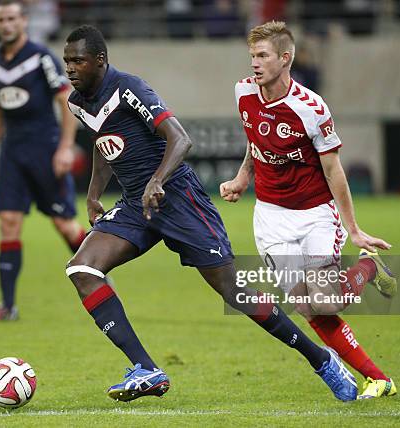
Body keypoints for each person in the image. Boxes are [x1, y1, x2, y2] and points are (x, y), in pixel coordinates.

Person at [63, 24, 358, 403]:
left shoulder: (128, 88)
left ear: (100, 61)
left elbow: (180, 139)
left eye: (78, 61)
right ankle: (146, 369)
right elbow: (105, 144)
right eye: (67, 61)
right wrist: (92, 195)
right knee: (82, 269)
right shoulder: (77, 102)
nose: (70, 68)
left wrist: (157, 180)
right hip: (138, 204)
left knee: (235, 292)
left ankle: (322, 360)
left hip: (179, 199)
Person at [220, 21, 398, 400]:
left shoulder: (311, 108)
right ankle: (378, 378)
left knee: (327, 299)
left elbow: (334, 171)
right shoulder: (243, 93)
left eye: (263, 56)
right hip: (270, 216)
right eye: (252, 55)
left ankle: (368, 266)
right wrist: (241, 178)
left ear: (285, 58)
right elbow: (255, 141)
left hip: (315, 212)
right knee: (307, 306)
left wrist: (354, 229)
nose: (255, 63)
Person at [0, 0, 87, 322]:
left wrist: (66, 147)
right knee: (8, 223)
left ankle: (98, 274)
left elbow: (65, 98)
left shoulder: (41, 58)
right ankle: (7, 306)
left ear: (24, 21)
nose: (6, 24)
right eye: (1, 19)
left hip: (45, 149)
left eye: (12, 18)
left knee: (64, 224)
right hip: (13, 152)